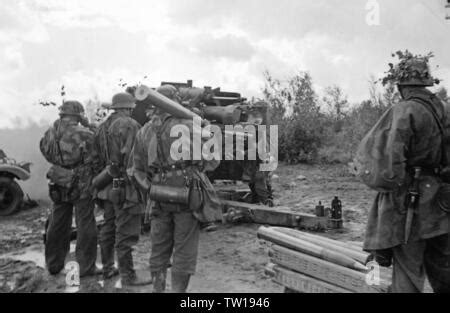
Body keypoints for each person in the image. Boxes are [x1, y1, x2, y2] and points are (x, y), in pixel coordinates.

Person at [362, 52, 450, 293]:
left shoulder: (404, 111)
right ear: (427, 83)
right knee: (444, 270)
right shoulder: (445, 109)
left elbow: (388, 166)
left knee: (408, 272)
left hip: (411, 204)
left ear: (401, 85)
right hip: (443, 204)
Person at [129, 84, 222, 292]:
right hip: (187, 194)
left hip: (158, 196)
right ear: (176, 100)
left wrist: (152, 189)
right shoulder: (190, 125)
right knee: (184, 249)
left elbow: (136, 170)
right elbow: (213, 161)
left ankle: (158, 289)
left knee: (159, 249)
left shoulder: (144, 130)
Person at [93, 93, 151, 286]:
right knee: (126, 231)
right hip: (125, 187)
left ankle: (108, 267)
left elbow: (96, 158)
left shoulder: (101, 127)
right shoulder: (131, 125)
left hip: (107, 184)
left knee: (109, 227)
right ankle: (128, 275)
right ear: (129, 107)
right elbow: (139, 157)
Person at [40, 101, 99, 277]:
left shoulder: (50, 132)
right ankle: (87, 267)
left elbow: (44, 149)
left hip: (58, 180)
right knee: (85, 223)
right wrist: (90, 125)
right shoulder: (82, 132)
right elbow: (97, 151)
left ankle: (54, 264)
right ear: (78, 114)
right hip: (80, 182)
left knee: (57, 222)